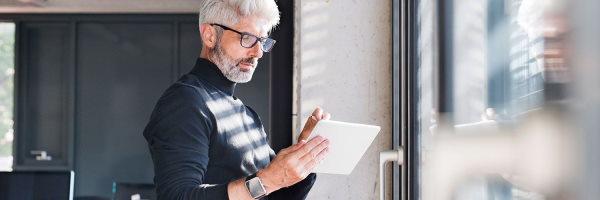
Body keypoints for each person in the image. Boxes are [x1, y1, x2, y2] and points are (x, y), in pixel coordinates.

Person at [142, 0, 330, 199]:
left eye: (263, 41)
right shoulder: (185, 102)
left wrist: (304, 155)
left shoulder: (248, 116)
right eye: (247, 38)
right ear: (210, 36)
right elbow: (177, 196)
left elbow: (274, 196)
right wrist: (266, 181)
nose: (258, 52)